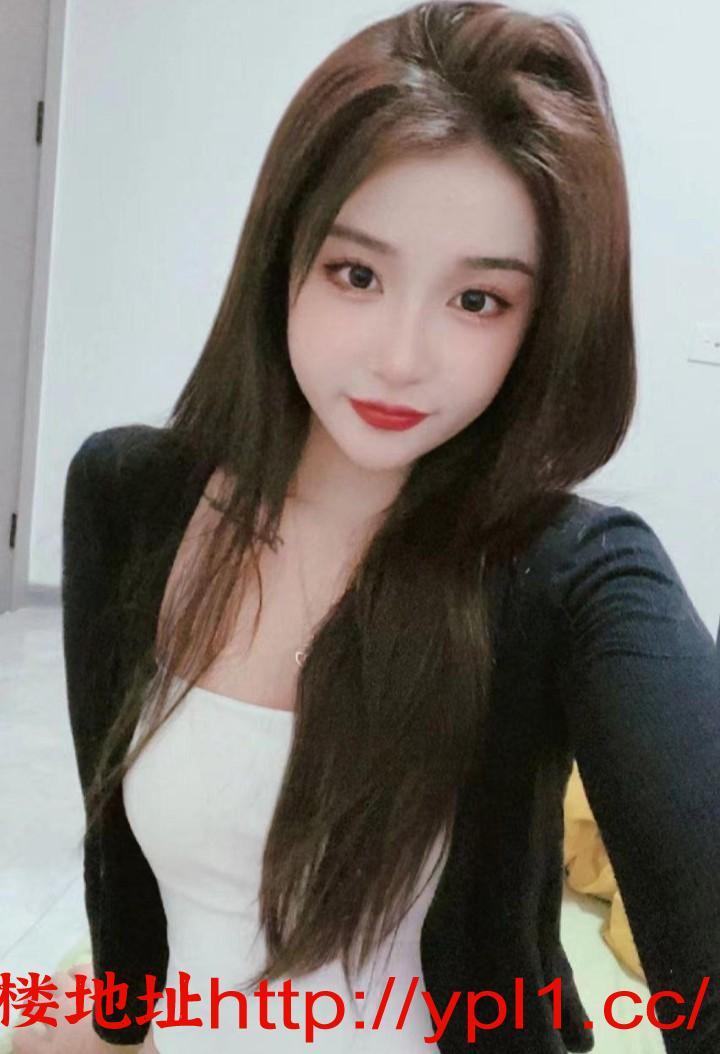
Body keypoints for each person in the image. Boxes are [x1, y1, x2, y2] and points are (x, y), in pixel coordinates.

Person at [15, 2, 720, 1052]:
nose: (400, 358)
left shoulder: (570, 575)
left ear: (542, 323)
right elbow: (121, 878)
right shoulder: (131, 496)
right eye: (357, 273)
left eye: (478, 301)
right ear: (284, 258)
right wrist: (119, 1027)